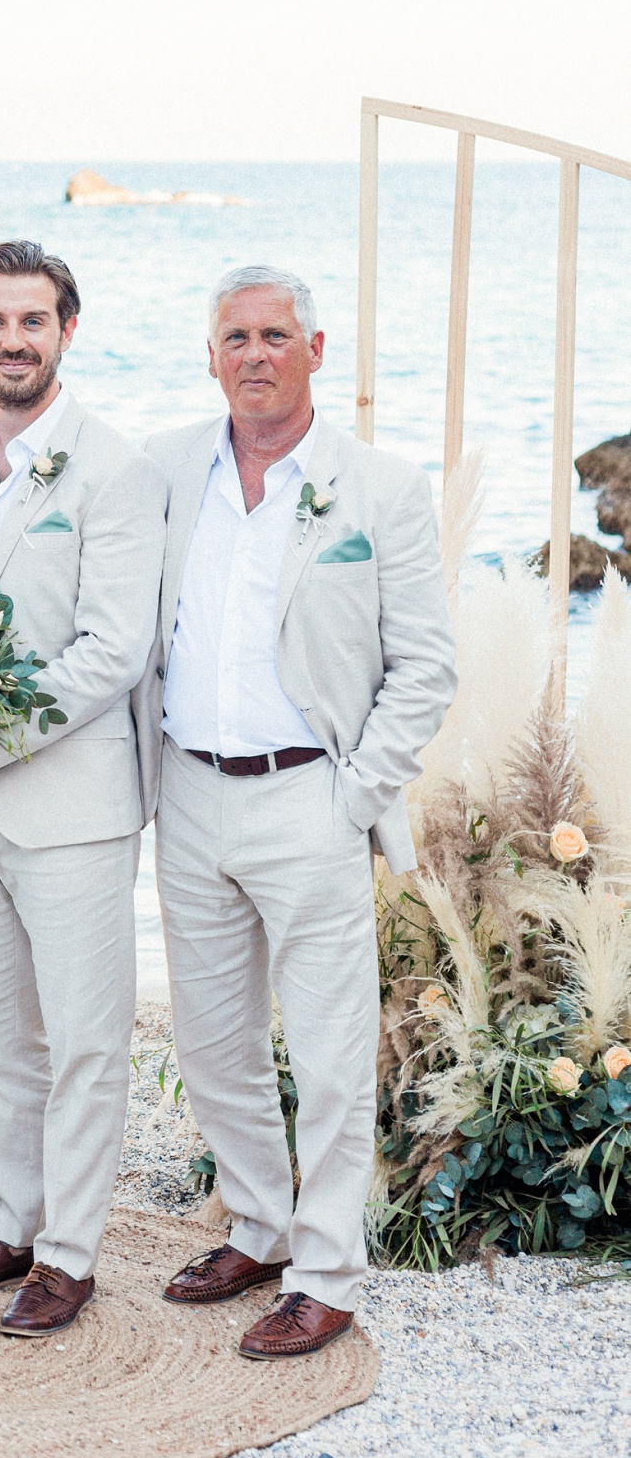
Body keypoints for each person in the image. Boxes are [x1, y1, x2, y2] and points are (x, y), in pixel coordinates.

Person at [141, 264, 455, 1357]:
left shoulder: (379, 488)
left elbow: (425, 668)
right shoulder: (169, 469)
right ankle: (260, 1225)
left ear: (315, 351)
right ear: (211, 353)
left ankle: (325, 1270)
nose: (256, 355)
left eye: (277, 335)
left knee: (327, 1054)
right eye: (236, 337)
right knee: (214, 1041)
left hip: (307, 798)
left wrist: (353, 797)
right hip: (187, 790)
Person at [0, 240, 166, 1336]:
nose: (11, 340)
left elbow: (115, 651)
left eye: (32, 320)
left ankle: (70, 1252)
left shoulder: (112, 468)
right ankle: (11, 1221)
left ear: (68, 329)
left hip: (70, 806)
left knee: (86, 1035)